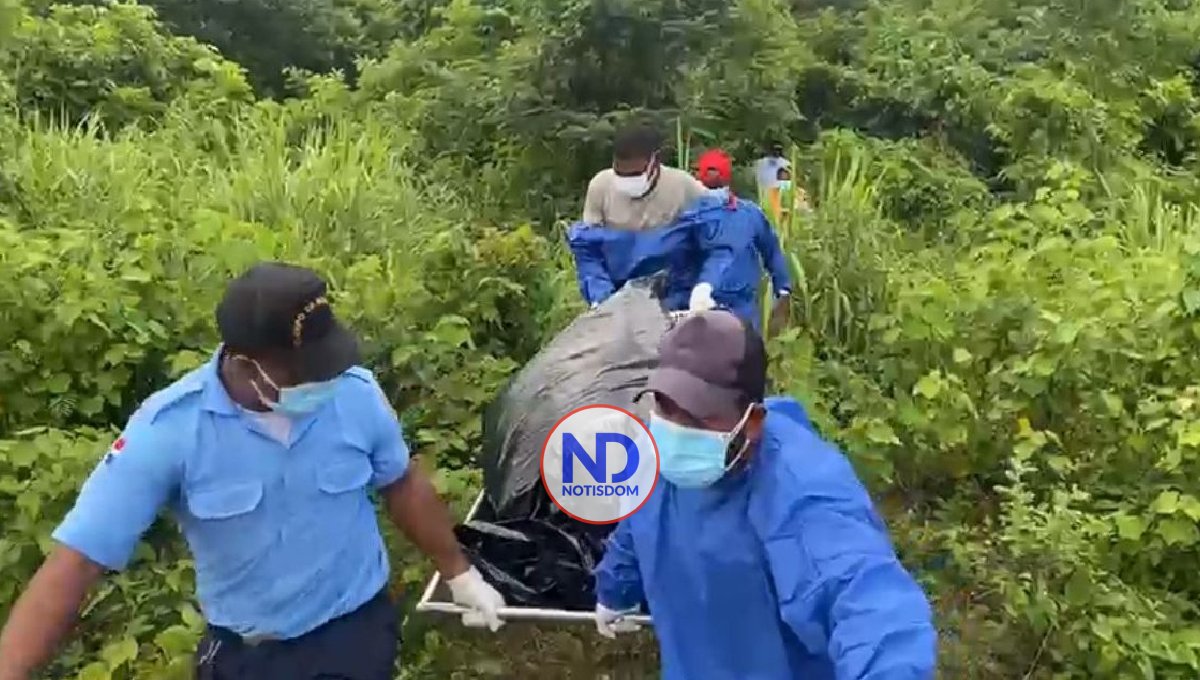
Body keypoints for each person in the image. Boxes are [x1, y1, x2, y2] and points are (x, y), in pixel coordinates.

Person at [0, 262, 506, 680]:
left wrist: (457, 571)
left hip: (356, 633)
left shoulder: (353, 392)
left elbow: (401, 482)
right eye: (305, 372)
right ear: (246, 365)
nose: (323, 380)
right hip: (250, 657)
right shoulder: (169, 431)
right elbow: (76, 563)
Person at [592, 310, 938, 680]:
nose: (675, 428)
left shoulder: (803, 492)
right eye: (665, 404)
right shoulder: (654, 454)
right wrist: (616, 588)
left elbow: (869, 603)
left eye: (697, 416)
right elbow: (635, 526)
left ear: (752, 422)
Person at [688, 148, 792, 334]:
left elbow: (772, 252)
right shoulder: (690, 214)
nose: (707, 176)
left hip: (742, 310)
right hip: (700, 309)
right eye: (704, 171)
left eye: (714, 170)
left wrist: (783, 291)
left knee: (745, 357)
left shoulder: (750, 214)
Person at [581, 124, 708, 232]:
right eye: (620, 174)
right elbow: (590, 241)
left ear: (655, 161)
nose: (627, 179)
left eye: (635, 174)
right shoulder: (600, 186)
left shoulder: (682, 185)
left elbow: (715, 212)